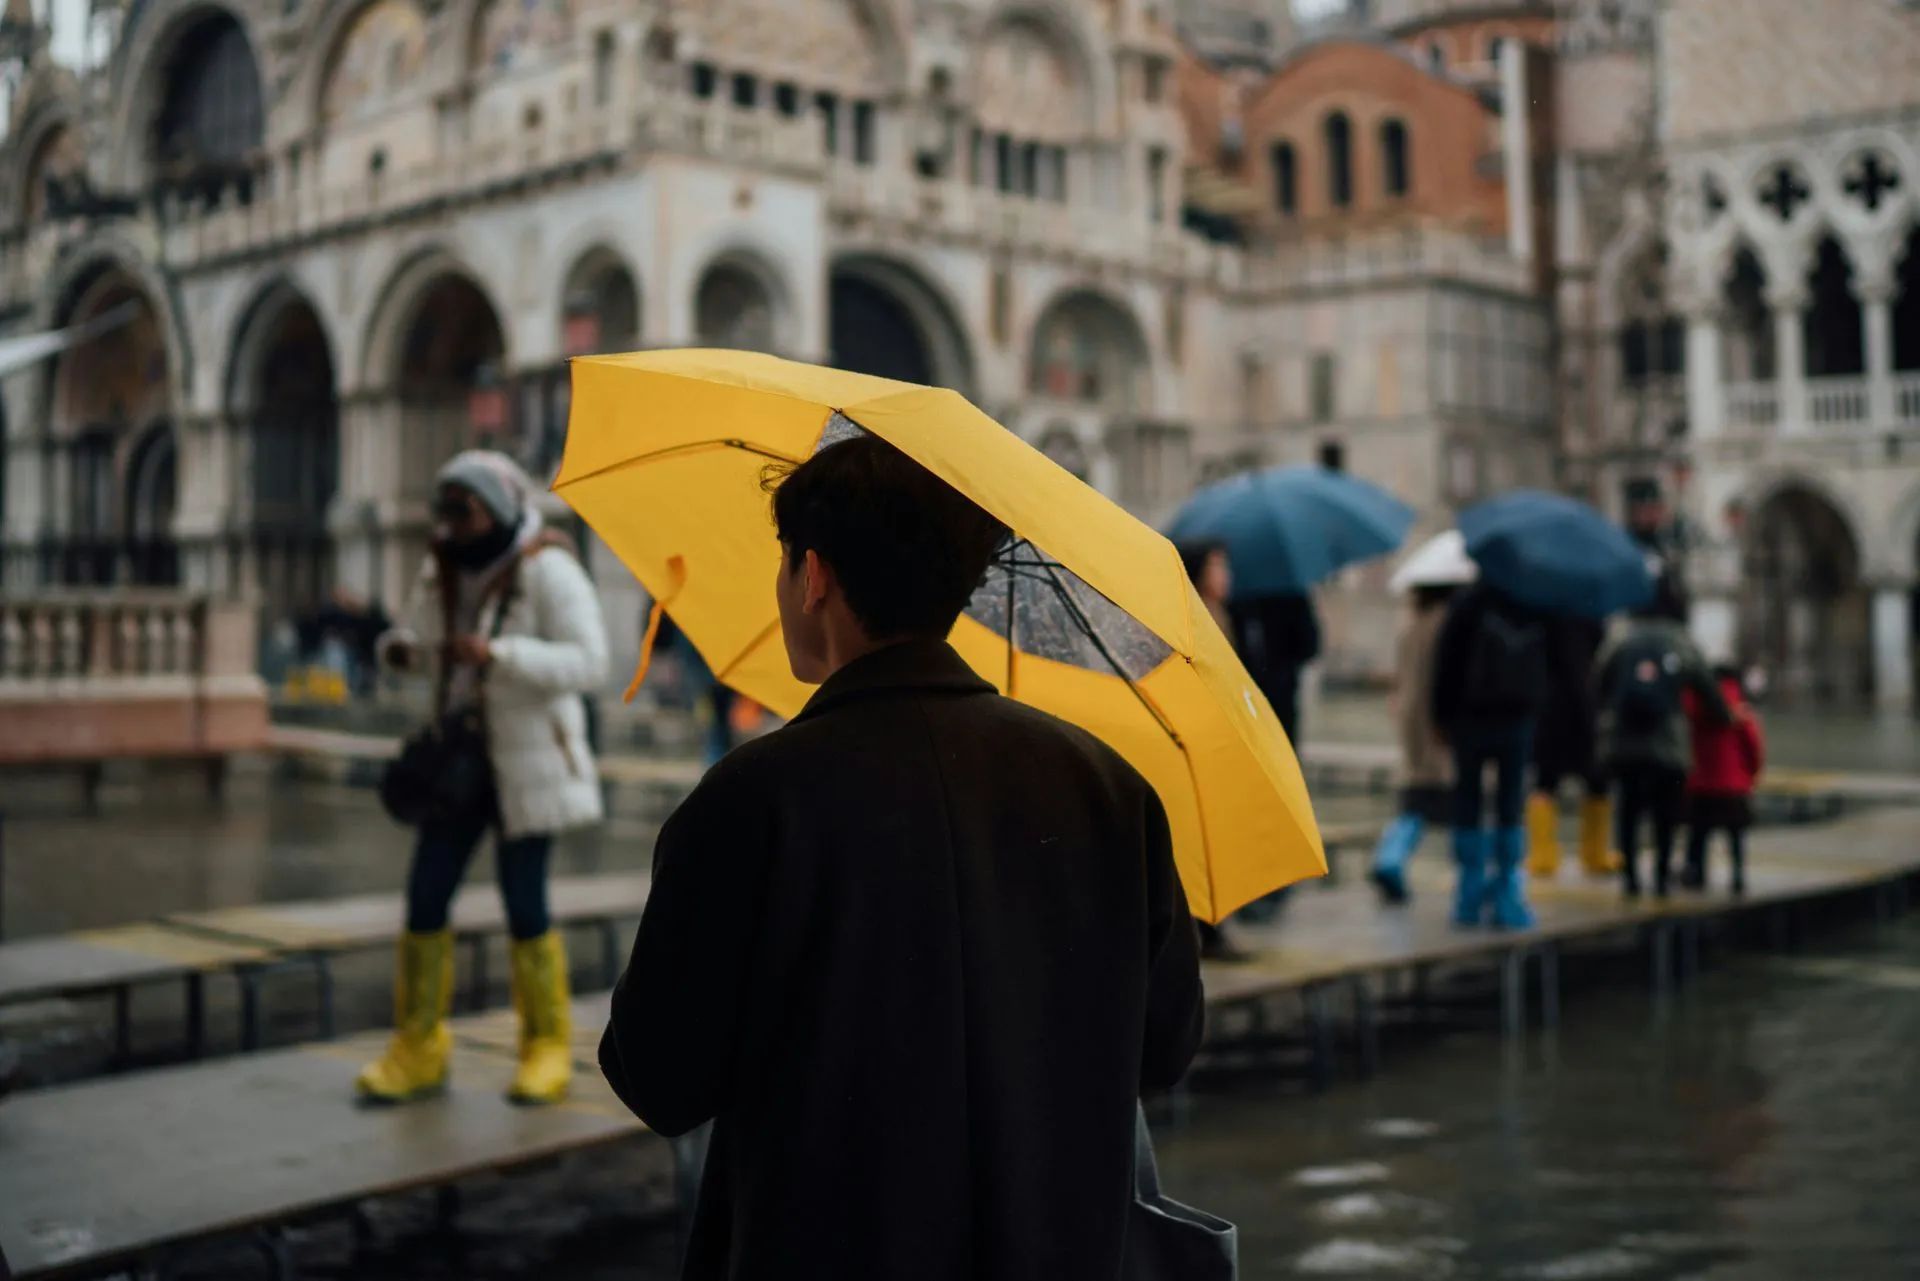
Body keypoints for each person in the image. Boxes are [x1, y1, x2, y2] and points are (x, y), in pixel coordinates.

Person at [600, 434, 1204, 1281]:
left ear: (813, 575)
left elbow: (659, 1076)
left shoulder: (751, 801)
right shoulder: (1110, 789)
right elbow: (1165, 1047)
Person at [357, 451, 609, 1106]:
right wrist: (402, 650)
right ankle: (418, 1047)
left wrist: (500, 653)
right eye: (443, 509)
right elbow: (420, 642)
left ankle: (546, 1047)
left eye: (461, 509)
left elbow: (591, 662)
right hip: (460, 764)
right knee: (425, 895)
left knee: (525, 904)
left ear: (495, 509)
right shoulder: (440, 567)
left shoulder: (549, 569)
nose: (449, 523)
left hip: (527, 762)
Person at [1595, 578, 1729, 899]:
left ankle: (1629, 877)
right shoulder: (1679, 639)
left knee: (1628, 809)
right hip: (1667, 743)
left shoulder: (1621, 637)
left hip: (1623, 742)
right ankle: (1660, 876)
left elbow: (1599, 679)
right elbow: (1707, 687)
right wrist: (1724, 716)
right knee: (1665, 812)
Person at [1431, 581, 1550, 929]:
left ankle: (1468, 898)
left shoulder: (1466, 602)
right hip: (1517, 719)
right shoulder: (1534, 602)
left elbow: (1446, 662)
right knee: (1510, 804)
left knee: (1467, 799)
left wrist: (1440, 717)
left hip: (1470, 719)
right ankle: (1507, 897)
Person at [1178, 539, 1252, 959]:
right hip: (1202, 741)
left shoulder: (1221, 615)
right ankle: (1207, 925)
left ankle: (1212, 923)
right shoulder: (1195, 617)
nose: (1226, 577)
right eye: (1217, 567)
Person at [1369, 583, 1458, 904]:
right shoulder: (1449, 623)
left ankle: (1388, 858)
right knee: (1454, 804)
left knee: (1415, 802)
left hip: (1411, 724)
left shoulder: (1410, 625)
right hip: (1437, 726)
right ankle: (1469, 883)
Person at [1526, 615, 1620, 880]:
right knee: (1596, 782)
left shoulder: (1541, 616)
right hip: (1584, 708)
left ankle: (1543, 856)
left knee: (1545, 782)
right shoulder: (1589, 616)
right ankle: (1595, 854)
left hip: (1548, 710)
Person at [1684, 664, 1765, 894]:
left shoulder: (1696, 705)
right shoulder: (1741, 709)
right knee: (1735, 835)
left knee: (1698, 834)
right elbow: (1753, 747)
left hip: (1701, 784)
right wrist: (1751, 775)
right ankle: (1737, 876)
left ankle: (1695, 874)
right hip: (1734, 785)